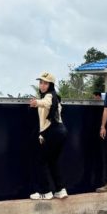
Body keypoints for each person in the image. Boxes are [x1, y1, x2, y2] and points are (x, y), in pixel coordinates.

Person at [28, 72, 68, 200]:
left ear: (51, 85)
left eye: (45, 83)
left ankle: (45, 192)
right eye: (41, 82)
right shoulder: (55, 97)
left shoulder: (50, 96)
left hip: (52, 132)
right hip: (60, 131)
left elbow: (47, 103)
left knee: (40, 162)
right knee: (53, 161)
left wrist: (37, 103)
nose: (42, 85)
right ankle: (60, 190)